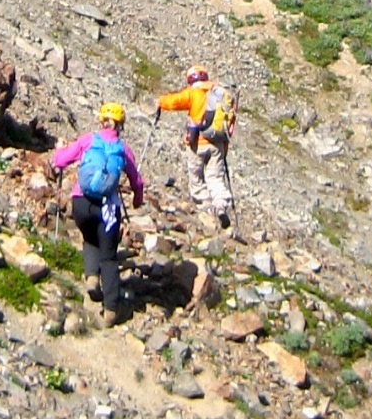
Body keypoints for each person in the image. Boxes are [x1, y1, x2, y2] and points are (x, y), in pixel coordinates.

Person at [51, 101, 144, 324]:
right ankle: (111, 310)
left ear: (101, 121)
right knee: (109, 257)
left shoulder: (88, 140)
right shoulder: (123, 149)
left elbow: (60, 161)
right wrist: (137, 200)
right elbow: (137, 182)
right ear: (120, 125)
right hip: (108, 209)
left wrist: (59, 149)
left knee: (89, 238)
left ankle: (92, 278)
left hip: (81, 202)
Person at [154, 67, 237, 229]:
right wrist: (224, 150)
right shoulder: (219, 93)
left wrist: (160, 102)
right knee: (216, 178)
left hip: (196, 143)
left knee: (197, 177)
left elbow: (175, 101)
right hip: (217, 144)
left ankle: (206, 209)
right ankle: (221, 206)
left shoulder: (193, 93)